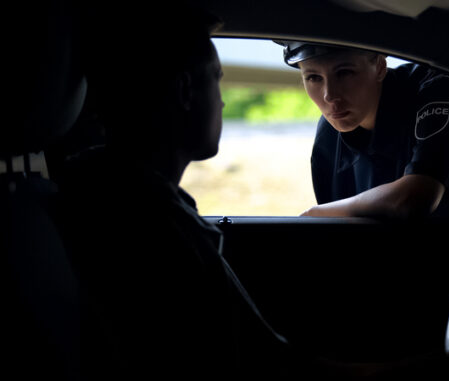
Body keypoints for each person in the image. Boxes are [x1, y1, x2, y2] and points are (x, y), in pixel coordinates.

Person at [60, 6, 292, 379]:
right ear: (185, 90)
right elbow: (271, 364)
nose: (222, 100)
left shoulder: (97, 191)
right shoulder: (147, 227)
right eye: (216, 79)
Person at [277, 41, 449, 224]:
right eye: (313, 78)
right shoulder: (329, 137)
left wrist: (314, 214)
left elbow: (416, 197)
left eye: (345, 73)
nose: (329, 95)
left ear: (380, 67)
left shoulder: (437, 91)